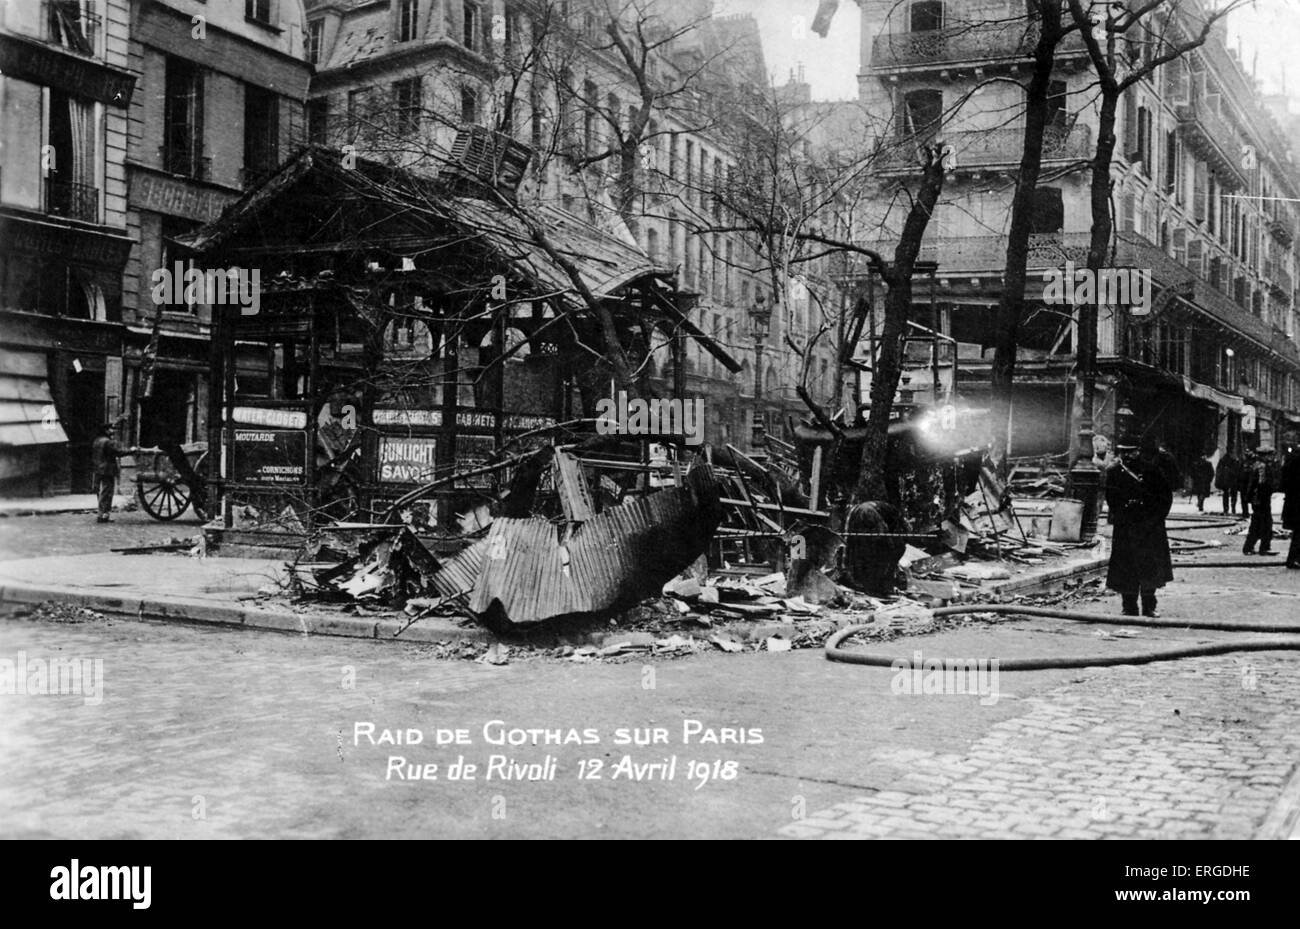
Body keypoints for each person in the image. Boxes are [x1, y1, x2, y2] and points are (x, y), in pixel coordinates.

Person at [1104, 436, 1177, 617]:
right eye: (1123, 452)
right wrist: (1121, 514)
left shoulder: (1151, 470)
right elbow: (1111, 498)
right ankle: (1129, 607)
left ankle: (1149, 606)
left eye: (1131, 451)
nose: (1127, 455)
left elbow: (1165, 496)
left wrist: (1156, 518)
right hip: (1126, 527)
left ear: (1138, 451)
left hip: (1149, 527)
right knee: (1126, 569)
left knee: (1150, 569)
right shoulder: (1114, 472)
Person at [1241, 445, 1279, 556]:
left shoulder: (1258, 465)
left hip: (1258, 499)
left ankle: (1254, 547)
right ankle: (1260, 547)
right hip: (1261, 499)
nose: (1271, 457)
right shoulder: (1262, 467)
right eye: (1270, 455)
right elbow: (1262, 484)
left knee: (1260, 524)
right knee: (1263, 524)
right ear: (1265, 456)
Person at [90, 420, 129, 524]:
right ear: (106, 430)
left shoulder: (97, 440)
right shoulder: (108, 442)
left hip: (98, 469)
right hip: (107, 470)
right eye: (111, 429)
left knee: (101, 492)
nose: (113, 431)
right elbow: (119, 452)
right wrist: (132, 450)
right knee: (107, 492)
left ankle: (102, 514)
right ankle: (103, 515)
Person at [1282, 447, 1300, 570]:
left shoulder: (1291, 462)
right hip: (1297, 505)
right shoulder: (1296, 464)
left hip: (1293, 505)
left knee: (1297, 535)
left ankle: (1293, 559)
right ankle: (1293, 559)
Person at [1215, 449, 1242, 516]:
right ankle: (1230, 509)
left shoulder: (1223, 460)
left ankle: (1228, 509)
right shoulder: (1228, 461)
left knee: (1228, 496)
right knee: (1231, 495)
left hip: (1228, 481)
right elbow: (1237, 471)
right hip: (1230, 481)